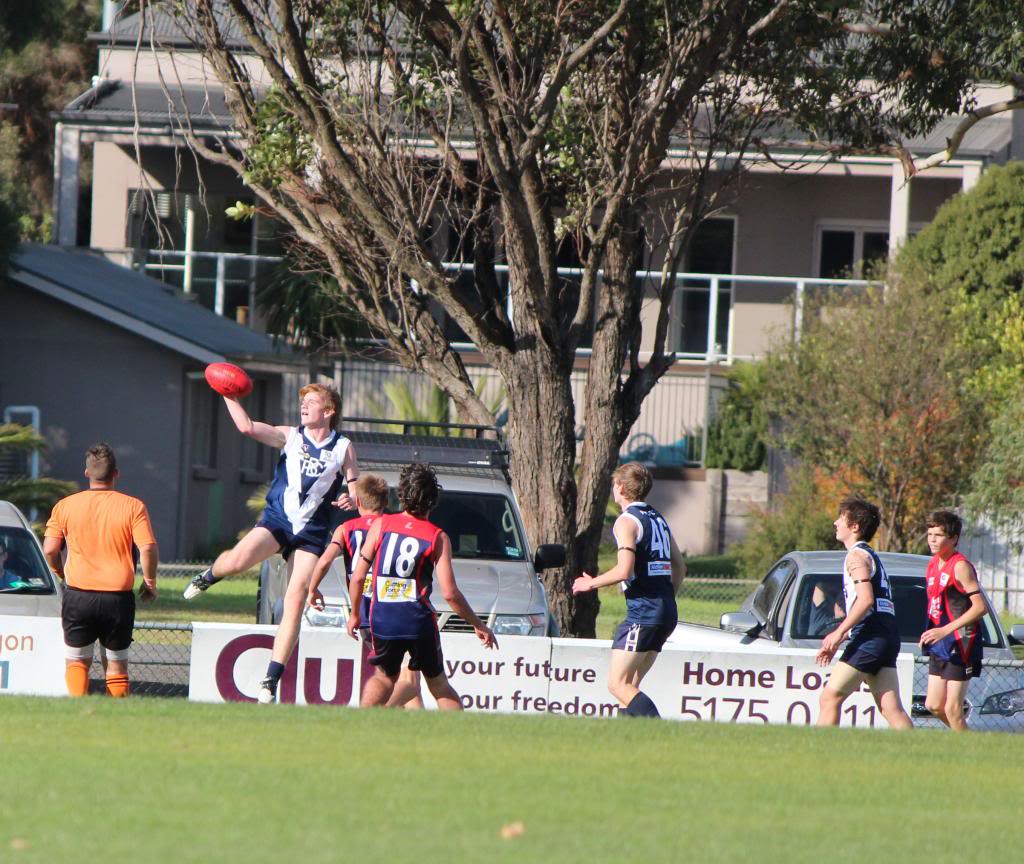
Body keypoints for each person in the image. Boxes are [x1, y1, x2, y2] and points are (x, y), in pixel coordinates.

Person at [183, 383, 358, 705]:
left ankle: (271, 678)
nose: (303, 407)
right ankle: (208, 576)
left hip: (311, 533)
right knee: (236, 562)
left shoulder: (343, 446)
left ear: (329, 411)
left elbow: (354, 484)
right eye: (302, 402)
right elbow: (247, 427)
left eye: (311, 402)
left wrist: (350, 496)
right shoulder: (290, 436)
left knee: (294, 601)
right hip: (278, 520)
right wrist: (228, 394)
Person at [345, 462, 497, 709]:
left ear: (401, 495)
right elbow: (450, 593)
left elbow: (359, 577)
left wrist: (354, 614)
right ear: (433, 500)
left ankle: (361, 723)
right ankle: (463, 743)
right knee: (438, 685)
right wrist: (478, 624)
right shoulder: (437, 536)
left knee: (384, 676)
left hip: (383, 617)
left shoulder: (381, 525)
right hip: (418, 620)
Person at [42, 443, 158, 697]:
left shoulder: (65, 506)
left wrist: (60, 573)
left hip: (78, 595)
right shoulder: (133, 506)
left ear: (87, 473)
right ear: (116, 473)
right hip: (117, 598)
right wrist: (149, 582)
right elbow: (147, 548)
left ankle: (77, 713)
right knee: (116, 664)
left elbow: (50, 549)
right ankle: (114, 720)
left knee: (76, 661)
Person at [572, 462, 685, 718]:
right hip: (665, 611)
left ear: (621, 487)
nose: (614, 489)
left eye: (614, 484)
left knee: (617, 684)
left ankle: (661, 734)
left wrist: (590, 583)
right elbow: (680, 567)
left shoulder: (626, 521)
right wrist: (666, 597)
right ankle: (630, 743)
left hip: (644, 613)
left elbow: (624, 570)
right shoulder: (658, 518)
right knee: (630, 687)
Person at [307, 473, 424, 709]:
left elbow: (324, 561)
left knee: (395, 678)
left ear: (358, 502)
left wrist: (313, 589)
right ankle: (377, 711)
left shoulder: (345, 528)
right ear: (386, 501)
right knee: (409, 680)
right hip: (397, 610)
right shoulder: (394, 526)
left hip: (366, 617)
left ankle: (401, 728)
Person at [816, 495, 912, 729]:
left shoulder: (856, 556)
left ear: (855, 527)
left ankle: (816, 756)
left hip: (870, 637)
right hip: (886, 636)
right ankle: (922, 757)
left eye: (841, 519)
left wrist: (838, 633)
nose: (835, 523)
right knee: (892, 709)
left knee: (829, 698)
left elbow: (866, 599)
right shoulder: (870, 555)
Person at [921, 509, 986, 731]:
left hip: (962, 642)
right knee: (933, 704)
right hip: (940, 642)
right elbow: (937, 605)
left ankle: (973, 756)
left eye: (938, 535)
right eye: (930, 534)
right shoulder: (932, 564)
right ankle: (968, 743)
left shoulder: (960, 566)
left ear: (953, 538)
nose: (932, 540)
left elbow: (980, 607)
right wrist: (932, 630)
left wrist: (945, 630)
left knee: (952, 709)